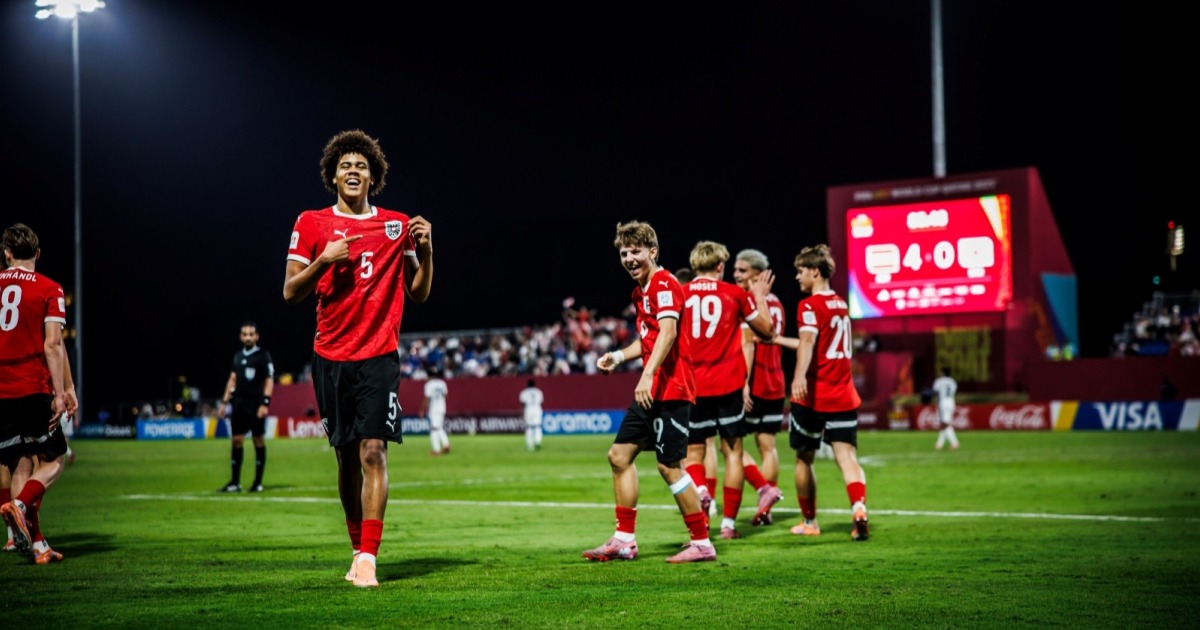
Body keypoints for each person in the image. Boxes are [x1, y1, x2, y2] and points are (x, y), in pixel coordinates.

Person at [283, 129, 434, 587]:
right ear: (333, 176)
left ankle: (369, 557)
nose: (353, 170)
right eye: (345, 165)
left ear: (374, 177)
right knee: (346, 458)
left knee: (373, 451)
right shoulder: (311, 222)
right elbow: (290, 291)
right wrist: (324, 260)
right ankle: (356, 547)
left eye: (361, 166)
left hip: (379, 356)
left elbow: (418, 292)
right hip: (330, 356)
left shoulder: (396, 225)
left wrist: (427, 252)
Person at [582, 220, 712, 564]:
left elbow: (668, 334)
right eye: (624, 253)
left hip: (672, 388)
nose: (628, 258)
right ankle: (624, 540)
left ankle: (702, 542)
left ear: (653, 251)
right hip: (653, 390)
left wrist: (647, 375)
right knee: (619, 456)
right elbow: (649, 339)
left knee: (670, 467)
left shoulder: (664, 283)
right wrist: (618, 356)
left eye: (635, 251)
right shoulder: (641, 291)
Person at [770, 244, 869, 541]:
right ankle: (859, 509)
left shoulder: (809, 305)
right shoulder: (840, 304)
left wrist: (798, 376)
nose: (797, 277)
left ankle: (810, 521)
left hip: (814, 395)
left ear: (815, 271)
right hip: (844, 393)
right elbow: (815, 343)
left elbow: (809, 342)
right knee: (847, 457)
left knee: (804, 458)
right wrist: (778, 340)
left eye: (800, 271)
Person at [680, 241, 776, 541]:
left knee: (694, 453)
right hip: (728, 386)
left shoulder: (680, 294)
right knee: (733, 452)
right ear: (720, 266)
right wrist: (758, 297)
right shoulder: (735, 294)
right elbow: (767, 332)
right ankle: (728, 525)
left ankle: (701, 491)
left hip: (694, 386)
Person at [0, 223, 74, 564]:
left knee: (19, 464)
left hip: (2, 393)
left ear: (7, 254)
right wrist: (61, 393)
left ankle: (36, 544)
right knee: (55, 459)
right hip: (32, 387)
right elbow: (53, 345)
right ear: (38, 254)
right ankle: (19, 504)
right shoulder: (49, 288)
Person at [731, 248, 787, 526]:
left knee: (731, 446)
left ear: (757, 274)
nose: (736, 274)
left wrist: (743, 382)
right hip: (776, 382)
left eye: (742, 270)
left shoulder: (748, 302)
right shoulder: (776, 303)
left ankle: (763, 489)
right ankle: (767, 508)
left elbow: (748, 345)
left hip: (752, 383)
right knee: (768, 446)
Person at [217, 321, 276, 493]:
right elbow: (232, 379)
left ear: (257, 336)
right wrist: (224, 402)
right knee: (236, 441)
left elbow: (269, 380)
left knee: (258, 439)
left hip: (256, 404)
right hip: (239, 404)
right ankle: (235, 482)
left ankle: (257, 482)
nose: (248, 337)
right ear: (240, 337)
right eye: (245, 334)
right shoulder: (237, 357)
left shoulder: (263, 355)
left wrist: (265, 403)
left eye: (251, 334)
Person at [420, 369, 450, 456]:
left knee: (434, 429)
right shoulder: (442, 383)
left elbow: (427, 398)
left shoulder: (429, 385)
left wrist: (422, 410)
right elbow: (446, 396)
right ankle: (446, 444)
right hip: (442, 408)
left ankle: (436, 450)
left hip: (434, 409)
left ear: (429, 376)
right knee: (439, 427)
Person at [932, 367, 960, 450]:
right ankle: (939, 444)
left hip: (943, 402)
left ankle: (954, 443)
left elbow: (935, 392)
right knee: (944, 423)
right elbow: (954, 392)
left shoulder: (938, 381)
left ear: (943, 373)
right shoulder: (952, 381)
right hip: (951, 402)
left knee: (945, 423)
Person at [520, 378, 545, 451]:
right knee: (538, 427)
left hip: (528, 409)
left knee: (529, 427)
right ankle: (538, 442)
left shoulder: (524, 392)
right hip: (537, 409)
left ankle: (530, 444)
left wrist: (523, 413)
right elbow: (541, 402)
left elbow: (523, 404)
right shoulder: (538, 392)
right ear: (534, 385)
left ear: (527, 385)